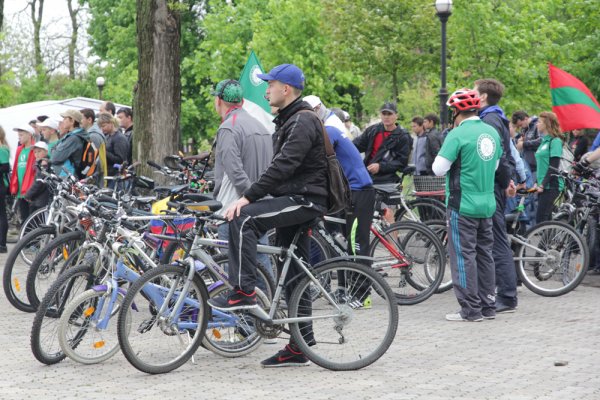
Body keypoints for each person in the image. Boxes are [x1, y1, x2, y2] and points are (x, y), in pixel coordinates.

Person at [207, 63, 328, 368]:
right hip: (295, 196)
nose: (265, 89)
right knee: (293, 273)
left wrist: (248, 197)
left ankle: (244, 292)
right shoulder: (287, 119)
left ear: (285, 89)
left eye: (270, 84)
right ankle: (300, 347)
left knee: (244, 218)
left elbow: (283, 166)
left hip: (306, 199)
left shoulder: (302, 121)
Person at [432, 88, 503, 322]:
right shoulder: (491, 132)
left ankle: (470, 310)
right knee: (485, 255)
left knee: (463, 257)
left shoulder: (458, 134)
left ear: (456, 112)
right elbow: (494, 167)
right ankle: (488, 306)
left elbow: (438, 169)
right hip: (487, 204)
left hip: (462, 205)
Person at [211, 79, 274, 280]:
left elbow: (235, 171)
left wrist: (249, 196)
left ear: (219, 100)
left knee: (233, 272)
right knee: (261, 263)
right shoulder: (260, 125)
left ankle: (240, 310)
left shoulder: (229, 128)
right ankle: (268, 305)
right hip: (259, 206)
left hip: (234, 207)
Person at [304, 95, 374, 263]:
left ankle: (362, 288)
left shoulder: (329, 130)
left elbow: (316, 162)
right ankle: (344, 287)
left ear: (318, 110)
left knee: (355, 245)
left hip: (358, 189)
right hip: (349, 190)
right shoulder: (328, 127)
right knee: (343, 243)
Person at [474, 78, 517, 314]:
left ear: (481, 97)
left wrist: (503, 182)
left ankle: (508, 296)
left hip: (492, 188)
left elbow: (498, 158)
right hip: (496, 186)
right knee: (495, 240)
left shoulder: (489, 120)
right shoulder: (495, 118)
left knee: (497, 241)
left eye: (473, 90)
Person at [353, 102, 412, 184]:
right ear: (380, 115)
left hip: (388, 179)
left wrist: (380, 166)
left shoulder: (402, 136)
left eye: (389, 114)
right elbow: (355, 145)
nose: (386, 117)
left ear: (396, 116)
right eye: (384, 114)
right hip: (367, 176)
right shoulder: (372, 130)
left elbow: (402, 162)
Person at [534, 112, 565, 223]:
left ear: (546, 124)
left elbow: (553, 167)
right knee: (546, 220)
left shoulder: (555, 141)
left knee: (541, 220)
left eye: (539, 122)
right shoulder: (544, 141)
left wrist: (542, 184)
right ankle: (550, 240)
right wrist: (537, 182)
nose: (537, 124)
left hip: (551, 185)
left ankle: (546, 240)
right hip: (543, 185)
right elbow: (542, 165)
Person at [10, 125, 37, 223]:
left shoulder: (35, 149)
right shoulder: (19, 149)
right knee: (24, 218)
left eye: (21, 135)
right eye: (18, 135)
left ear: (29, 135)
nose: (19, 137)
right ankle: (25, 237)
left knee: (32, 219)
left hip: (30, 191)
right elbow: (16, 169)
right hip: (20, 191)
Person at [50, 109, 90, 177]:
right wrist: (55, 150)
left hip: (67, 176)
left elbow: (55, 158)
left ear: (72, 121)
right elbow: (53, 148)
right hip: (65, 175)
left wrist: (55, 150)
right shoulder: (71, 135)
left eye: (65, 118)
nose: (63, 121)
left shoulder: (73, 138)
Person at [97, 113, 129, 184]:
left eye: (103, 126)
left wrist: (104, 152)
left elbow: (120, 160)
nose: (102, 129)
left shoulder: (119, 138)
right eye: (101, 127)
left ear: (111, 123)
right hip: (110, 176)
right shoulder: (108, 137)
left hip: (116, 177)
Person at [81, 108, 108, 186]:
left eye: (81, 118)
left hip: (93, 181)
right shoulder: (93, 134)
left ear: (89, 119)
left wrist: (86, 179)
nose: (79, 121)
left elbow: (93, 162)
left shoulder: (93, 136)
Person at [512, 110, 540, 180]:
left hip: (536, 166)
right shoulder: (524, 129)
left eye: (521, 125)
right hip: (527, 165)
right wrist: (518, 141)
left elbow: (541, 141)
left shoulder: (537, 125)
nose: (521, 127)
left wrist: (524, 144)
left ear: (525, 119)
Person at [24, 142, 51, 213]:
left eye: (39, 151)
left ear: (46, 151)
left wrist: (28, 195)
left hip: (42, 200)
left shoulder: (44, 164)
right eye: (35, 152)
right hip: (40, 199)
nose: (37, 154)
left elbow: (39, 182)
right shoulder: (40, 163)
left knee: (41, 222)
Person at [0, 126, 10, 253]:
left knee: (1, 214)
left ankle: (2, 243)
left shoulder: (2, 149)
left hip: (1, 184)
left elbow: (5, 167)